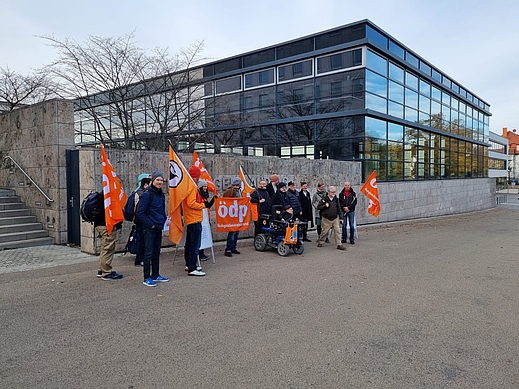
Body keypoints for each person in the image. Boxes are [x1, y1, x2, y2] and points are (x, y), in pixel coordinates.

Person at [136, 170, 169, 286]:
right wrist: (150, 224)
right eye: (157, 180)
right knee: (148, 253)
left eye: (161, 180)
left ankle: (156, 274)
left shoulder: (161, 195)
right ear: (153, 181)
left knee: (156, 252)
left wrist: (163, 220)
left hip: (158, 228)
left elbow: (161, 210)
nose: (160, 182)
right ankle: (147, 277)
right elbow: (140, 213)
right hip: (149, 229)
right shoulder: (146, 194)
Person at [183, 165, 207, 276]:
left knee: (189, 243)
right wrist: (202, 205)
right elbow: (191, 203)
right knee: (194, 244)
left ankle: (189, 264)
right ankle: (192, 268)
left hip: (191, 218)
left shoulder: (188, 184)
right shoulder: (192, 186)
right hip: (194, 218)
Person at [94, 193, 123, 280]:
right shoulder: (109, 198)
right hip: (107, 226)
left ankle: (101, 270)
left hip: (100, 225)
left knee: (105, 247)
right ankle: (106, 272)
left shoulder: (100, 196)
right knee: (108, 249)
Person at [316, 186, 345, 250]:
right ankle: (321, 241)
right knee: (325, 232)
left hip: (334, 218)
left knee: (337, 231)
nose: (333, 194)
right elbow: (318, 207)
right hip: (326, 218)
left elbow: (339, 208)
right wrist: (325, 206)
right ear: (328, 192)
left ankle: (339, 244)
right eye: (332, 192)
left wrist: (341, 217)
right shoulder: (324, 198)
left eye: (334, 192)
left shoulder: (336, 199)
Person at [133, 173, 151, 266]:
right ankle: (139, 259)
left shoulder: (139, 191)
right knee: (142, 240)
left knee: (142, 240)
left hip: (140, 220)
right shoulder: (142, 193)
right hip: (141, 220)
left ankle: (140, 259)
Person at [223, 177, 243, 257]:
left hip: (238, 214)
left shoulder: (239, 191)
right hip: (232, 214)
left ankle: (233, 247)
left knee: (237, 232)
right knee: (232, 232)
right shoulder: (230, 191)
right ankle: (228, 249)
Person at [198, 179, 216, 261]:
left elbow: (208, 205)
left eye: (206, 186)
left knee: (204, 238)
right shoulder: (199, 196)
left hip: (206, 219)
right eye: (204, 186)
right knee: (201, 238)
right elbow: (203, 206)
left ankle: (202, 253)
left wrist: (213, 199)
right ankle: (200, 254)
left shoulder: (204, 196)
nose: (205, 188)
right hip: (201, 219)